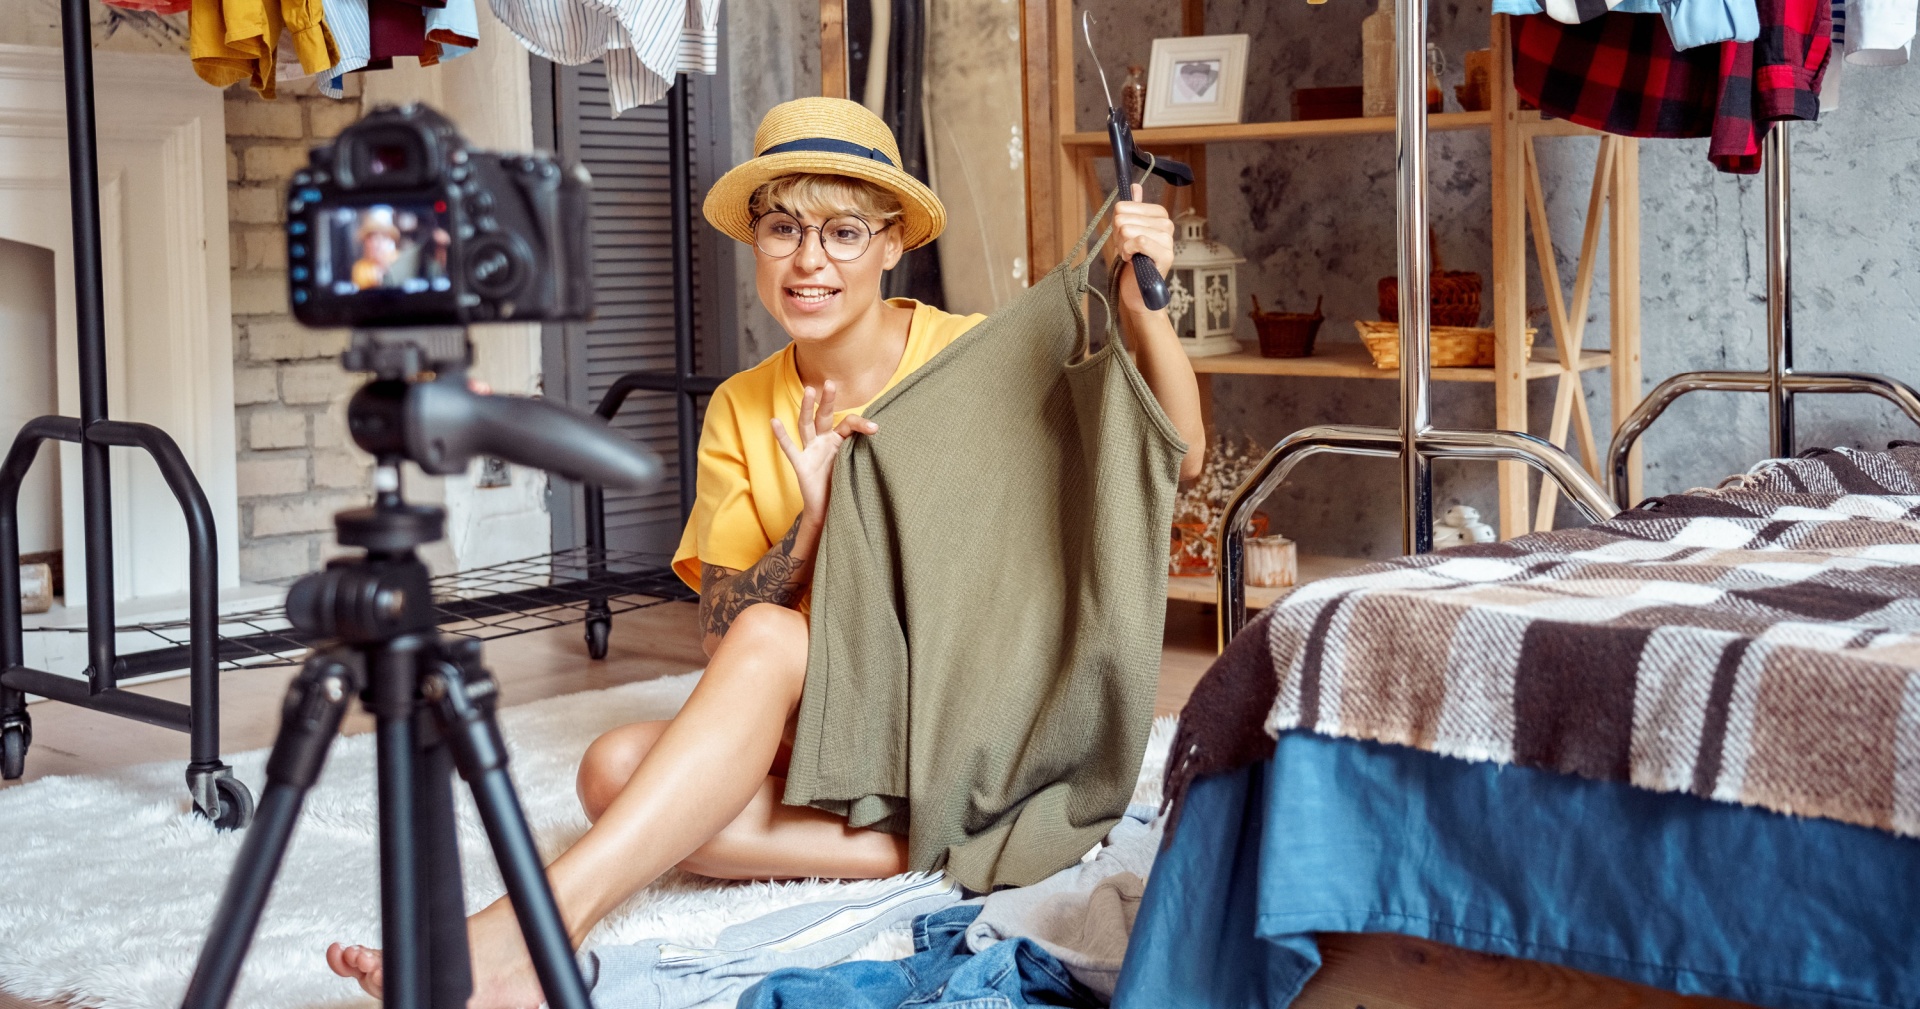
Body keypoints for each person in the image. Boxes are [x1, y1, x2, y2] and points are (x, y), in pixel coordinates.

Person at [327, 96, 1205, 1009]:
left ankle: (532, 930)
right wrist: (816, 521)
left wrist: (1146, 300)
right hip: (838, 734)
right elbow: (717, 633)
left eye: (842, 231)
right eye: (782, 228)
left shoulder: (973, 356)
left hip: (962, 712)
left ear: (894, 241)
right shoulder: (743, 407)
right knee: (611, 773)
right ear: (756, 242)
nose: (809, 259)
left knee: (771, 645)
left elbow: (1176, 457)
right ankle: (934, 848)